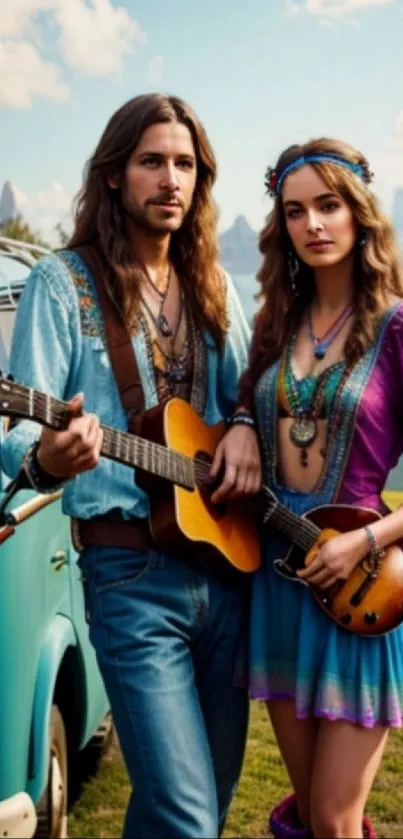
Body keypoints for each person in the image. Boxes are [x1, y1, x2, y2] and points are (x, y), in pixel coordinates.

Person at [0, 93, 262, 838]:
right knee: (184, 818)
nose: (170, 179)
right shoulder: (62, 281)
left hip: (222, 570)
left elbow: (246, 392)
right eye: (152, 161)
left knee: (196, 809)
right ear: (115, 174)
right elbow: (21, 432)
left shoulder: (212, 284)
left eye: (184, 164)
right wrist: (51, 455)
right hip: (129, 577)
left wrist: (242, 423)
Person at [237, 138, 403, 839]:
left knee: (335, 819)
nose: (313, 224)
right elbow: (245, 405)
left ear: (359, 214)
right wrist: (245, 420)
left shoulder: (397, 327)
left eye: (328, 205)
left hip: (360, 584)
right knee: (309, 815)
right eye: (296, 210)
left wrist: (365, 538)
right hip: (279, 581)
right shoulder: (274, 326)